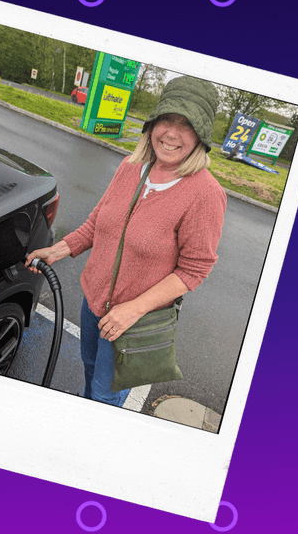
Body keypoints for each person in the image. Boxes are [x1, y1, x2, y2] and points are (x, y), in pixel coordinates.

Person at [27, 76, 227, 406]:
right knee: (90, 369)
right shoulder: (131, 166)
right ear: (153, 124)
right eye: (167, 120)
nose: (172, 133)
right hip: (93, 303)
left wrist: (131, 310)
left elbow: (193, 271)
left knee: (107, 393)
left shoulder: (206, 194)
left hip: (133, 323)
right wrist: (58, 249)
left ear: (201, 136)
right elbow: (98, 223)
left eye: (186, 125)